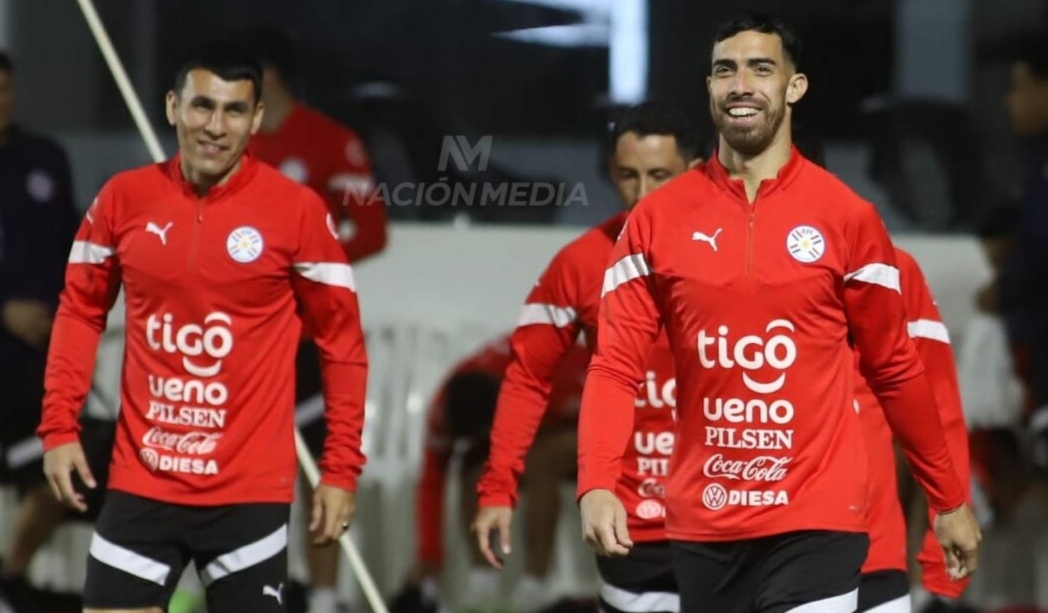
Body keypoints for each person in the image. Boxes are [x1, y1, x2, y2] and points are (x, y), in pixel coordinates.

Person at [575, 13, 982, 613]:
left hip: (818, 519)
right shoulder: (655, 221)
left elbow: (896, 369)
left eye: (760, 69)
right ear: (709, 87)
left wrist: (948, 500)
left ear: (794, 87)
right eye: (725, 71)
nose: (740, 85)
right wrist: (597, 482)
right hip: (705, 520)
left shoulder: (848, 219)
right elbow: (614, 367)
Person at [36, 42, 369, 613]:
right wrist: (59, 428)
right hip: (143, 483)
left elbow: (343, 344)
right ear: (172, 107)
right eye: (202, 106)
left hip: (248, 495)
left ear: (256, 119)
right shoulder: (123, 198)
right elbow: (80, 311)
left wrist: (339, 471)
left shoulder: (297, 211)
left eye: (234, 110)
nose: (216, 126)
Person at [472, 101, 702, 613]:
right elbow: (528, 377)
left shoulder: (735, 255)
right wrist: (498, 489)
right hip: (629, 521)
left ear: (694, 170)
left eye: (659, 175)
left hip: (727, 515)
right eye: (628, 175)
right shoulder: (581, 263)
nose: (642, 193)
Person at [792, 128, 975, 612]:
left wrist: (942, 532)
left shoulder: (890, 270)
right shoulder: (703, 276)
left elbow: (937, 408)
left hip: (869, 556)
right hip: (739, 551)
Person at [241, 30, 387, 613]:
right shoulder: (231, 142)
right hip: (241, 339)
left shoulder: (331, 140)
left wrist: (307, 269)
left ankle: (324, 598)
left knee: (320, 467)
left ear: (269, 76)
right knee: (236, 465)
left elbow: (371, 230)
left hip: (309, 337)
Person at [390, 334, 589, 613]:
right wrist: (429, 556)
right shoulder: (443, 408)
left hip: (580, 426)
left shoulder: (556, 379)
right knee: (474, 465)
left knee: (541, 461)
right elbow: (433, 480)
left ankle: (535, 585)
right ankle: (482, 580)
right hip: (525, 421)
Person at [0, 48, 98, 611]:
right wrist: (3, 310)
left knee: (68, 466)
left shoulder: (45, 158)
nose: (3, 101)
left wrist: (75, 318)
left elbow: (73, 249)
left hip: (44, 360)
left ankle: (11, 576)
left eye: (7, 89)